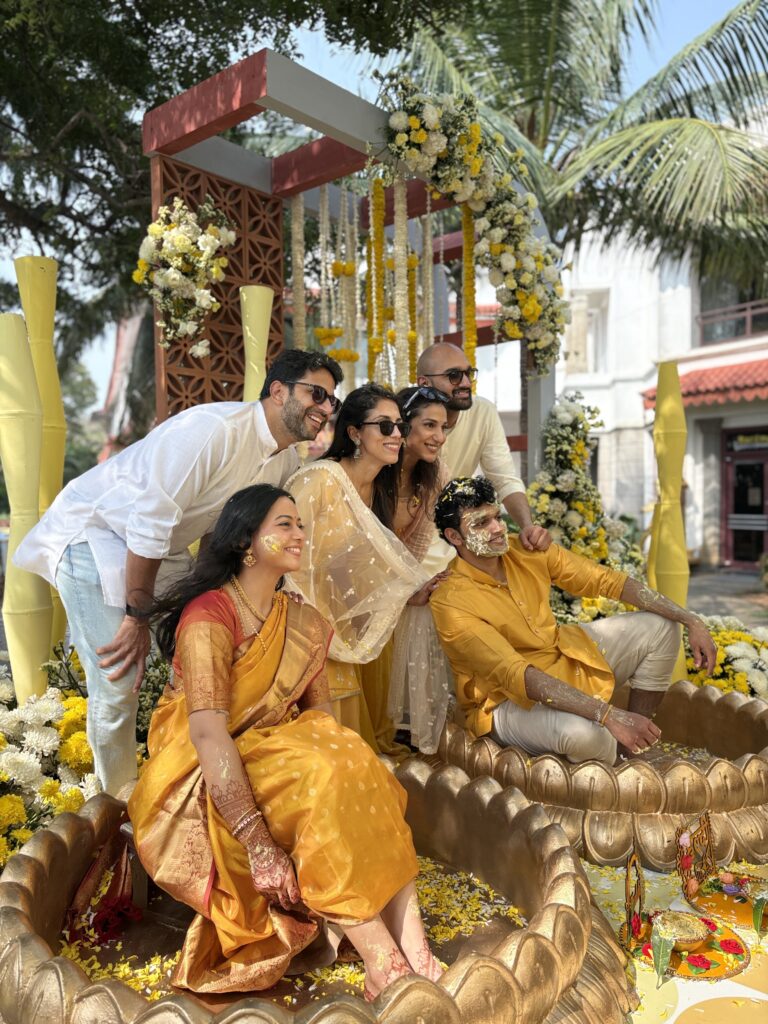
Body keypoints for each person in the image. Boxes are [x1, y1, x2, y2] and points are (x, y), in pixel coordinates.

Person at [128, 484, 442, 997]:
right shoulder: (209, 615)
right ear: (246, 542)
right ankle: (383, 961)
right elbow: (207, 731)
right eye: (284, 524)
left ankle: (417, 951)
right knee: (320, 776)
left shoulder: (300, 619)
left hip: (278, 749)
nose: (299, 534)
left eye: (300, 524)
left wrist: (342, 761)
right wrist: (258, 844)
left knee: (361, 763)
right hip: (200, 761)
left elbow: (318, 717)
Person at [14, 349, 343, 795]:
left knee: (197, 655)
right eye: (316, 394)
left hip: (158, 549)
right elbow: (148, 521)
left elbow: (224, 536)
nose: (325, 408)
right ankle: (117, 804)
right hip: (96, 536)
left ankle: (178, 781)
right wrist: (136, 617)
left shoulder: (284, 461)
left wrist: (234, 600)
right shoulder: (211, 431)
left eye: (332, 401)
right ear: (278, 390)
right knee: (119, 682)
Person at [430, 477, 717, 765]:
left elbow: (605, 580)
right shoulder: (450, 599)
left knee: (662, 627)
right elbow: (515, 673)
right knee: (585, 734)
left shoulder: (524, 550)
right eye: (481, 523)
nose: (497, 528)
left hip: (561, 655)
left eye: (497, 517)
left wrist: (690, 619)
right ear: (455, 537)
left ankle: (632, 747)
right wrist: (607, 714)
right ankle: (614, 773)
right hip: (506, 703)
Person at [286, 384, 429, 751]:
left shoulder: (378, 490)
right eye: (384, 426)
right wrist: (315, 629)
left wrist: (406, 593)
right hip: (299, 620)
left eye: (400, 426)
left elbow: (364, 569)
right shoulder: (318, 479)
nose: (397, 435)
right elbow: (284, 558)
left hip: (342, 621)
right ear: (353, 432)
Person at [415, 342, 550, 572]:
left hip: (454, 540)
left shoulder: (483, 412)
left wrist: (528, 526)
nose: (466, 383)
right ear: (424, 383)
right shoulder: (403, 413)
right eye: (454, 376)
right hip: (403, 539)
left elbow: (504, 478)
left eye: (468, 373)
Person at [385, 385, 454, 753]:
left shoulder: (435, 472)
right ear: (402, 425)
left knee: (444, 598)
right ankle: (403, 730)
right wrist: (401, 593)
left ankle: (428, 732)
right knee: (423, 609)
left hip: (408, 584)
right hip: (368, 589)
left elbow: (454, 523)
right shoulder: (375, 469)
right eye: (429, 425)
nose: (439, 437)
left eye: (443, 428)